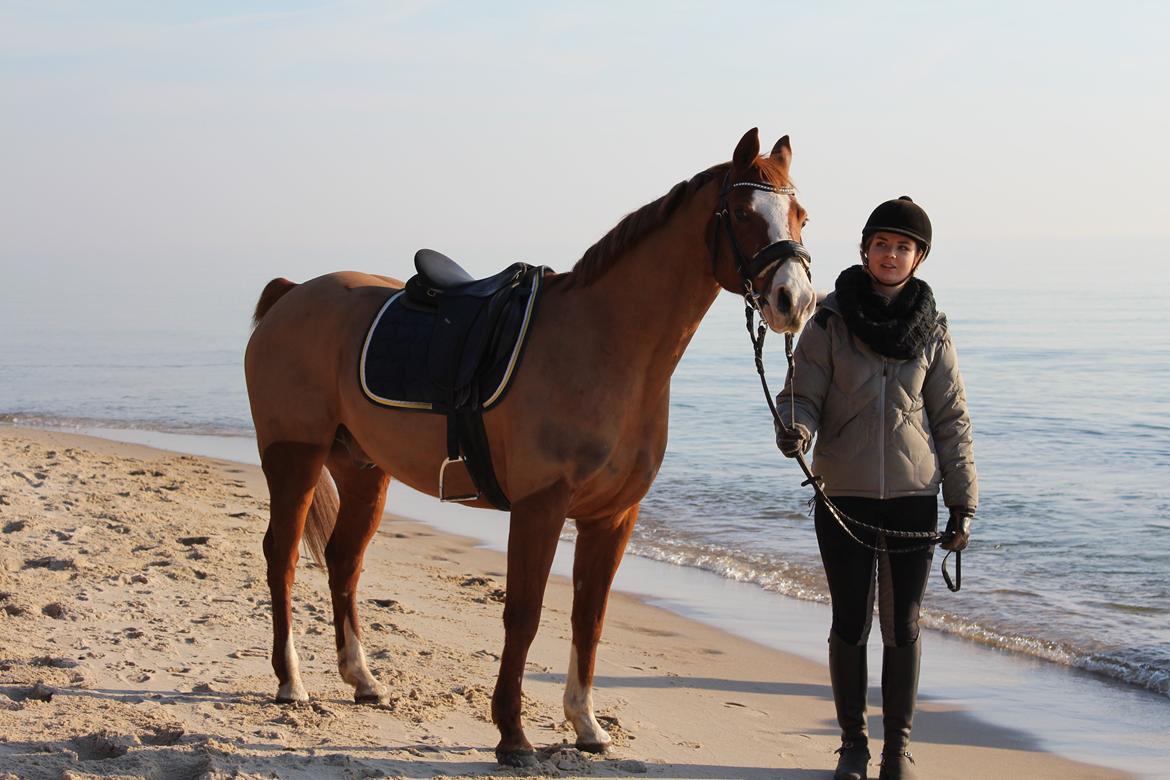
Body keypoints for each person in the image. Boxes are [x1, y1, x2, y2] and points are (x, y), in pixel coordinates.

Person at [775, 196, 977, 780]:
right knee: (849, 621)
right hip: (844, 498)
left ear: (919, 257)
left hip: (915, 501)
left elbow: (951, 418)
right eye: (882, 244)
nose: (891, 255)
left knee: (903, 625)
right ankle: (854, 746)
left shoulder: (933, 327)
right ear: (865, 250)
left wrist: (963, 503)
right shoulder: (829, 320)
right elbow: (801, 394)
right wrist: (797, 430)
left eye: (903, 247)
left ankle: (897, 750)